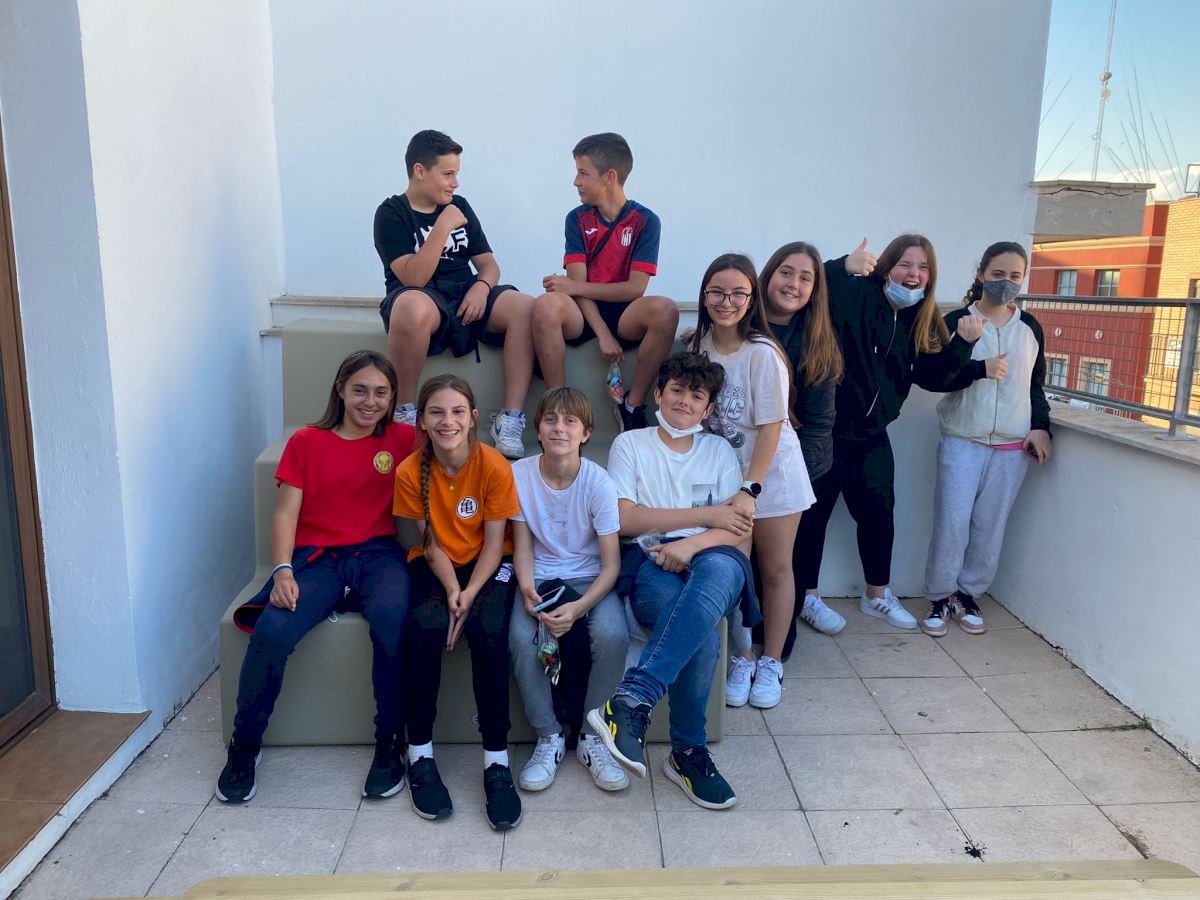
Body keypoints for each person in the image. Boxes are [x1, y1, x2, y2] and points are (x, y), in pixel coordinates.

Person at [218, 350, 415, 804]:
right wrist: (282, 569)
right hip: (318, 559)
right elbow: (286, 515)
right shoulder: (307, 441)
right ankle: (244, 746)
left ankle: (389, 746)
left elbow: (454, 447)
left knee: (393, 623)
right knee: (272, 630)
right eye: (360, 390)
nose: (370, 401)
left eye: (381, 393)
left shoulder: (403, 438)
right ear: (340, 390)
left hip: (378, 556)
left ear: (392, 398)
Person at [588, 352, 757, 810]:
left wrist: (691, 543)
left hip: (713, 552)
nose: (685, 401)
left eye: (696, 395)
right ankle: (687, 753)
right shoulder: (632, 444)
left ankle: (633, 699)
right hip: (649, 558)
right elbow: (625, 520)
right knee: (699, 633)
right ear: (659, 394)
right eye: (677, 390)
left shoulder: (719, 450)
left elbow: (738, 529)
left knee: (721, 568)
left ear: (708, 409)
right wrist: (707, 515)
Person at [796, 234, 984, 630]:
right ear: (886, 268)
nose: (914, 274)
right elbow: (807, 290)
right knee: (812, 518)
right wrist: (842, 265)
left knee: (879, 516)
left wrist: (964, 347)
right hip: (826, 433)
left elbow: (933, 377)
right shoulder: (855, 293)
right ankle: (807, 597)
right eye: (905, 264)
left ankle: (877, 595)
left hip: (872, 436)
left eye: (923, 267)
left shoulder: (922, 319)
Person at [392, 374, 522, 830]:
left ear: (473, 418)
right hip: (437, 564)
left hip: (487, 564)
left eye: (457, 412)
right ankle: (420, 754)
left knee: (489, 631)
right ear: (422, 422)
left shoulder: (494, 466)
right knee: (424, 628)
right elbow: (428, 544)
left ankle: (496, 761)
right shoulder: (410, 471)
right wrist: (451, 591)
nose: (447, 421)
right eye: (436, 412)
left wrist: (467, 596)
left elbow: (494, 545)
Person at [687, 254, 814, 710]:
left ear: (751, 298)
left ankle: (772, 661)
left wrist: (750, 490)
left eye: (738, 293)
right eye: (717, 292)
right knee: (735, 572)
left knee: (776, 570)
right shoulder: (698, 346)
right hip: (724, 481)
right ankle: (742, 658)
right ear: (705, 296)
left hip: (771, 477)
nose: (727, 302)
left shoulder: (763, 353)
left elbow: (773, 427)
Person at [373, 129, 535, 459]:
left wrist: (481, 288)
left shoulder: (459, 206)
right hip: (421, 297)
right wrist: (443, 226)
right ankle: (404, 412)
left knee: (525, 307)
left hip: (466, 293)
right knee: (411, 306)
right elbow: (414, 278)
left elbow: (489, 266)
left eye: (456, 174)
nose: (455, 183)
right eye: (448, 174)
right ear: (420, 171)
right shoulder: (392, 213)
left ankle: (510, 419)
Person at [921, 242, 1052, 636]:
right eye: (997, 274)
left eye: (1014, 276)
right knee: (952, 523)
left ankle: (968, 593)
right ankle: (940, 596)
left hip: (1012, 446)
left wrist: (1040, 426)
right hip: (963, 438)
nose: (1005, 283)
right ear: (981, 274)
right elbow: (936, 378)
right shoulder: (957, 320)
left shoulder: (1030, 327)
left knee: (990, 526)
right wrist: (977, 364)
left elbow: (1035, 383)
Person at [508, 388, 630, 793]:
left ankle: (594, 737)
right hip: (539, 577)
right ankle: (549, 736)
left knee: (612, 635)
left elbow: (611, 566)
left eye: (570, 421)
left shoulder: (599, 483)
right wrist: (528, 590)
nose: (559, 428)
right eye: (550, 420)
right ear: (538, 430)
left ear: (585, 433)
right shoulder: (520, 475)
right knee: (521, 638)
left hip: (590, 578)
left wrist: (578, 610)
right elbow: (523, 546)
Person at [531, 132, 679, 432]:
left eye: (583, 173)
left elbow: (635, 288)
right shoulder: (577, 218)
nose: (575, 182)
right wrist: (602, 334)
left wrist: (573, 287)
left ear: (610, 176)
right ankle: (559, 405)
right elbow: (577, 287)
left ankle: (633, 406)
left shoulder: (646, 220)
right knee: (547, 305)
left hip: (625, 313)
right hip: (582, 313)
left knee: (666, 309)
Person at [758, 242, 848, 650]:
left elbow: (819, 427)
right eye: (786, 272)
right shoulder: (741, 327)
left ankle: (775, 646)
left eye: (805, 278)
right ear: (768, 275)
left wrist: (790, 488)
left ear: (815, 290)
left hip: (797, 473)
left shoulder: (818, 343)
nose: (793, 284)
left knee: (785, 568)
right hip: (742, 470)